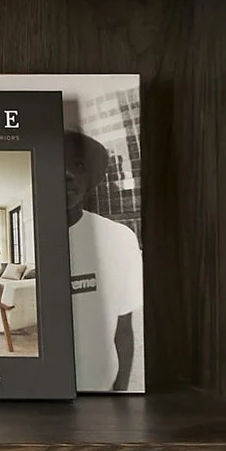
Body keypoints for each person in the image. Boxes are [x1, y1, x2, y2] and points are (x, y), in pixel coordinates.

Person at [64, 124, 142, 393]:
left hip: (100, 390)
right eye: (55, 160)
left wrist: (120, 394)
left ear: (90, 181)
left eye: (78, 165)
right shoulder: (27, 240)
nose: (67, 174)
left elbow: (124, 328)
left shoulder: (119, 238)